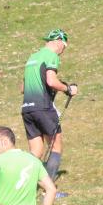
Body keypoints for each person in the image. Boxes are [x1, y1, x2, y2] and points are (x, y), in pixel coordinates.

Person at [21, 29, 78, 191]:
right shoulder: (51, 56)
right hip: (43, 108)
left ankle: (24, 186)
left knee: (36, 151)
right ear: (59, 41)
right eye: (64, 46)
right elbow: (51, 81)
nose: (63, 51)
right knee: (56, 147)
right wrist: (67, 88)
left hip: (27, 109)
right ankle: (49, 190)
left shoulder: (32, 58)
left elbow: (22, 87)